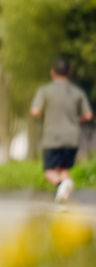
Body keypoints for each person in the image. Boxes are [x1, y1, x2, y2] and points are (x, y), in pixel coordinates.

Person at [30, 57, 93, 203]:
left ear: (52, 72)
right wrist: (76, 120)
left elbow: (35, 111)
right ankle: (63, 201)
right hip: (71, 137)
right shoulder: (78, 92)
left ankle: (61, 186)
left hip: (52, 137)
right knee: (64, 170)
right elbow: (88, 115)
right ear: (69, 72)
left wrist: (45, 115)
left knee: (50, 172)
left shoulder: (45, 90)